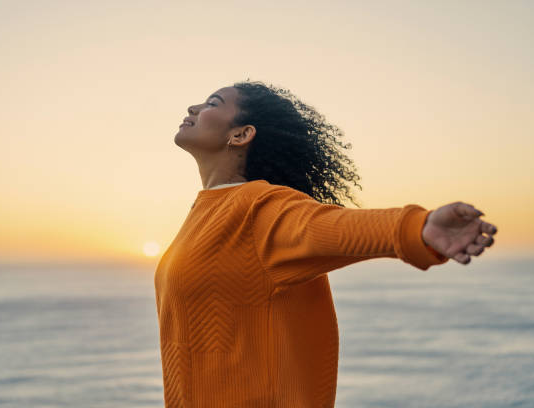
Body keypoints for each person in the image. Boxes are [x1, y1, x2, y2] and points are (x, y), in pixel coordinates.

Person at [154, 80, 498, 407]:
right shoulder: (209, 208)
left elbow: (332, 227)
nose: (194, 107)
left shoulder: (260, 207)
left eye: (212, 103)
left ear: (241, 134)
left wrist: (418, 229)